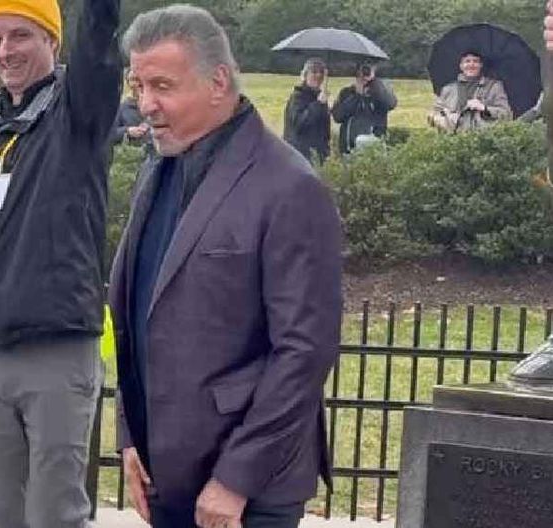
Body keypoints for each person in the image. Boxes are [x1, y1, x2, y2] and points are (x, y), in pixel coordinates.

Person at [110, 5, 342, 528]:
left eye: (162, 86)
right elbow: (133, 314)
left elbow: (304, 351)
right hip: (164, 472)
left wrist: (235, 479)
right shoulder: (159, 169)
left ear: (218, 82)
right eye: (138, 86)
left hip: (246, 493)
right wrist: (130, 435)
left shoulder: (289, 187)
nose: (145, 104)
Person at [0, 0, 122, 525]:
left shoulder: (78, 110)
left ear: (53, 41)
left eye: (21, 35)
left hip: (55, 346)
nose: (5, 50)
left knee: (53, 514)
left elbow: (99, 47)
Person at [427, 52, 511, 133]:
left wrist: (484, 108)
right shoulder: (448, 89)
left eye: (475, 61)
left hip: (483, 137)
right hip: (452, 139)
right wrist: (448, 121)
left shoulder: (494, 87)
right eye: (467, 61)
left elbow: (506, 114)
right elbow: (434, 114)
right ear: (461, 66)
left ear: (481, 65)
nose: (471, 64)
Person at [332, 62, 397, 153]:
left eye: (368, 70)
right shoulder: (346, 92)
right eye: (362, 70)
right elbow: (338, 116)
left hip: (373, 150)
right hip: (349, 149)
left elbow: (390, 104)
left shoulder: (380, 92)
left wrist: (374, 81)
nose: (364, 74)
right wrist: (357, 96)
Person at [283, 57, 331, 163]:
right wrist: (318, 104)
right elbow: (299, 124)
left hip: (318, 156)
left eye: (321, 72)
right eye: (314, 72)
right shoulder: (297, 97)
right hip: (300, 157)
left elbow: (325, 131)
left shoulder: (320, 97)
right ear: (305, 76)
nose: (318, 75)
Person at [111, 69, 152, 152]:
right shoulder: (123, 107)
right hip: (135, 155)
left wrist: (149, 123)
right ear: (128, 83)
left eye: (139, 79)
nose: (137, 83)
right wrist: (128, 131)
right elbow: (111, 133)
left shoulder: (156, 103)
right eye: (133, 79)